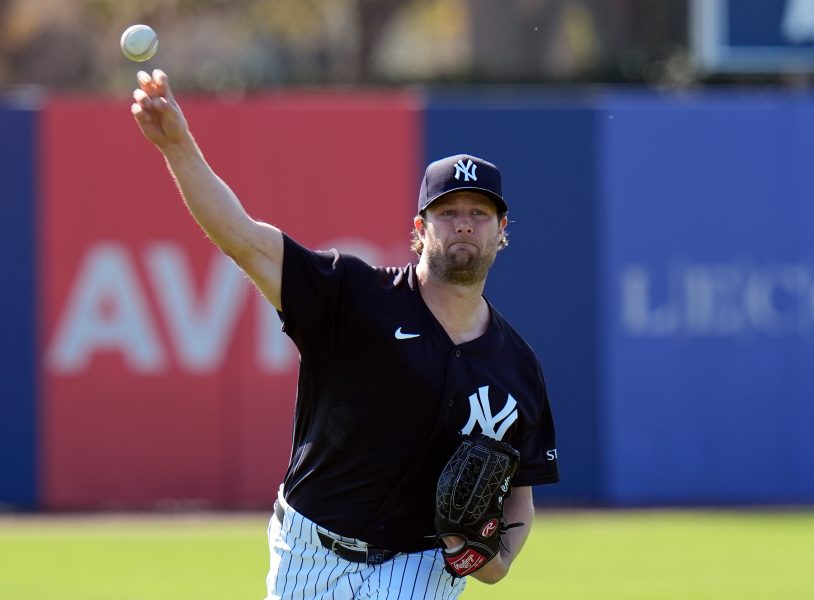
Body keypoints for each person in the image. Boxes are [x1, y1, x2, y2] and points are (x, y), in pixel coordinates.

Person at [131, 69, 559, 599]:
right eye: (447, 212)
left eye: (480, 213)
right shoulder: (354, 296)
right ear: (420, 229)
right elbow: (245, 240)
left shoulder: (517, 367)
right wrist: (177, 146)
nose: (464, 224)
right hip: (309, 551)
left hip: (421, 564)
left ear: (502, 231)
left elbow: (521, 491)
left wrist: (499, 560)